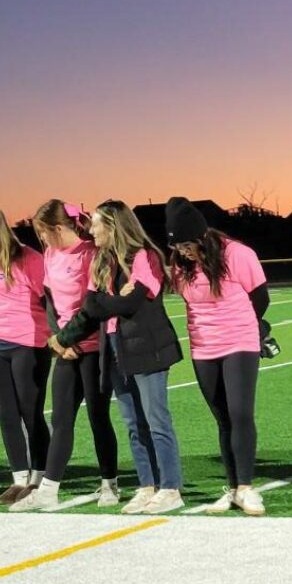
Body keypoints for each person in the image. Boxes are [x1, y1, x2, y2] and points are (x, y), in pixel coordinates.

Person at [54, 200, 184, 515]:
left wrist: (104, 301)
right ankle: (147, 485)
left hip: (146, 346)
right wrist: (63, 338)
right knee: (131, 422)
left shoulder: (145, 256)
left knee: (156, 419)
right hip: (112, 346)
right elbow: (91, 308)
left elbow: (130, 305)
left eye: (96, 223)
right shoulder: (101, 261)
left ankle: (170, 488)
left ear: (113, 226)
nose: (91, 229)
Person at [165, 196, 269, 516]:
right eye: (177, 247)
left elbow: (260, 298)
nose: (182, 252)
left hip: (239, 342)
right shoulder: (180, 264)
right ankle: (233, 486)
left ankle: (248, 488)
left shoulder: (238, 254)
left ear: (201, 236)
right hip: (203, 347)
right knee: (223, 419)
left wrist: (248, 329)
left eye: (186, 245)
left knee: (240, 414)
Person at [20, 200, 120, 511]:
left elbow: (93, 308)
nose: (42, 240)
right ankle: (49, 489)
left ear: (59, 228)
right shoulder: (50, 254)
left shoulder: (93, 254)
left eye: (44, 233)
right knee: (61, 419)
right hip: (66, 348)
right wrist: (58, 341)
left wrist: (67, 338)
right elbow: (50, 301)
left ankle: (109, 483)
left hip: (93, 349)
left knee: (98, 418)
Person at [0, 200, 50, 505]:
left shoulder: (28, 258)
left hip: (28, 345)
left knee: (31, 413)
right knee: (6, 415)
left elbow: (48, 301)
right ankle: (18, 477)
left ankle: (39, 477)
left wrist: (54, 338)